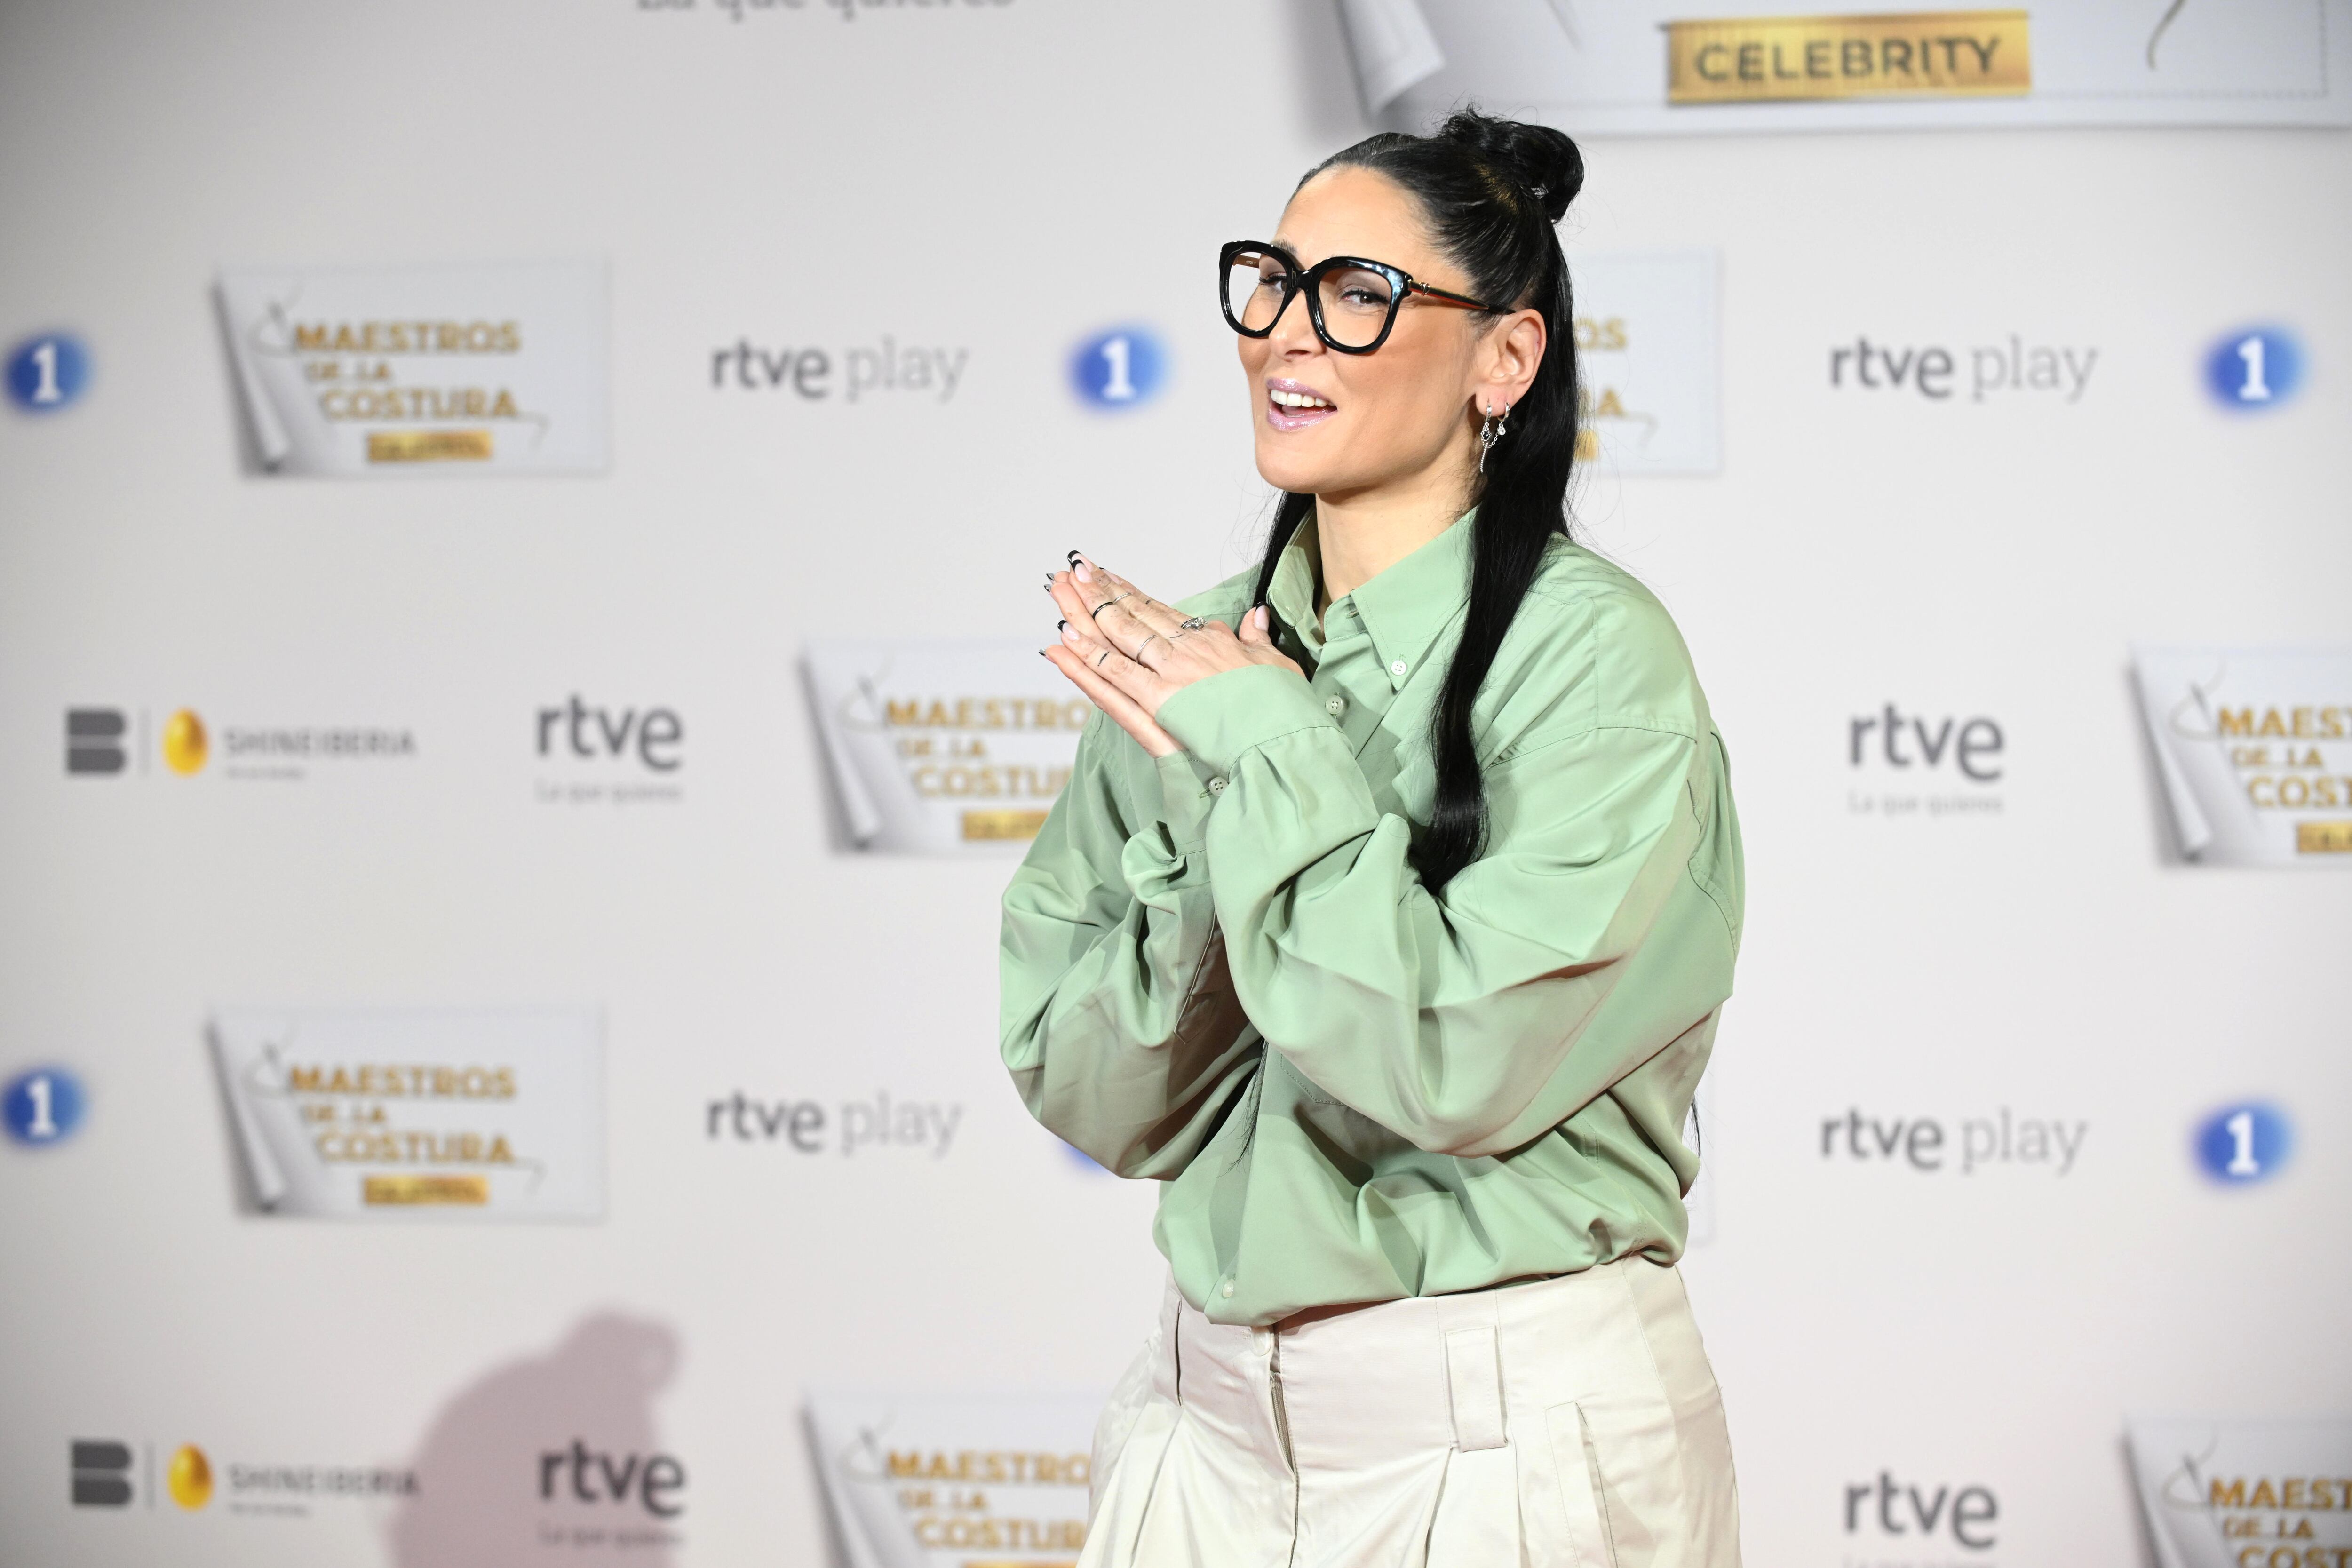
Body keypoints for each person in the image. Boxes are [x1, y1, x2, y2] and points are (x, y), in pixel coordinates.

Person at [999, 109, 1744, 1568]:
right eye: (1270, 283)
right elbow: (1091, 1089)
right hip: (1201, 1432)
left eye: (1358, 295)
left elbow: (1451, 1064)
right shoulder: (1201, 653)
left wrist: (1270, 756)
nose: (1289, 334)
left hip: (1502, 1440)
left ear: (1505, 361)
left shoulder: (1596, 663)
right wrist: (1227, 796)